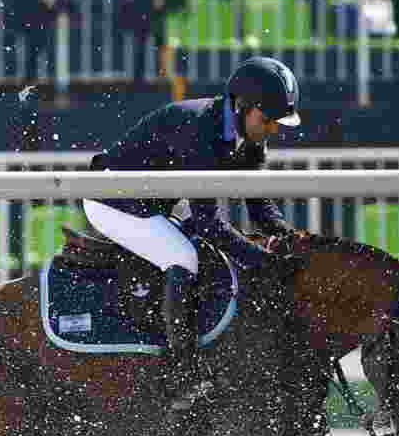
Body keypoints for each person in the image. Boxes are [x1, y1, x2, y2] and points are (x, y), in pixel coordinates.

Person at [84, 55, 300, 414]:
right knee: (184, 257)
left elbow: (260, 208)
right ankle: (181, 374)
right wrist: (263, 261)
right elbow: (208, 223)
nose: (273, 130)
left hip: (152, 203)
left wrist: (290, 240)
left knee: (210, 254)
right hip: (113, 202)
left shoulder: (248, 133)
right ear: (244, 107)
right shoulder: (200, 129)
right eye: (268, 120)